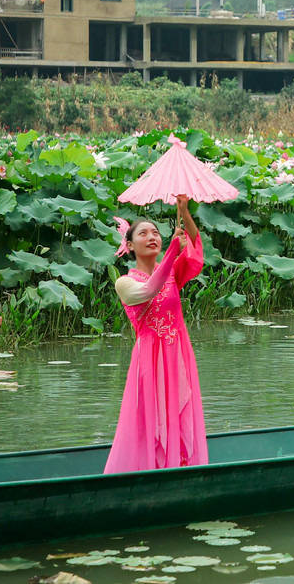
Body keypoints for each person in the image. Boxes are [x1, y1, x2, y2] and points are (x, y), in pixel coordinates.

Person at [104, 194, 208, 474]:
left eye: (156, 233)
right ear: (129, 245)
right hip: (150, 359)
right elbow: (149, 290)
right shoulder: (125, 282)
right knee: (151, 416)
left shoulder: (173, 271)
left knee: (179, 412)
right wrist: (173, 251)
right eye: (143, 233)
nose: (152, 237)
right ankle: (148, 469)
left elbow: (196, 250)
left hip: (178, 353)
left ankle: (182, 465)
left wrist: (184, 213)